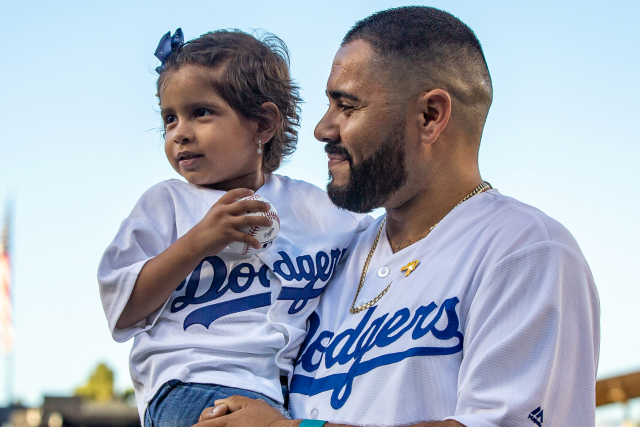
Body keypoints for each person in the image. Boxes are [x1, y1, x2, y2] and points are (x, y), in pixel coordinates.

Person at [194, 6, 600, 427]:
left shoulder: (525, 250)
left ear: (430, 116)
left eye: (346, 106)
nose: (322, 128)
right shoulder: (334, 255)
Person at [97, 29, 369, 427]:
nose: (179, 132)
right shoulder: (166, 203)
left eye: (200, 112)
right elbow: (122, 310)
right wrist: (197, 242)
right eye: (169, 118)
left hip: (277, 398)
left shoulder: (318, 209)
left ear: (262, 123)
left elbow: (388, 242)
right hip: (189, 385)